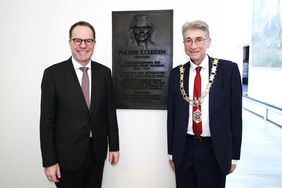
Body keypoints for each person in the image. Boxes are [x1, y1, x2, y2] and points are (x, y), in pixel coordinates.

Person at [40, 21, 120, 188]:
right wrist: (49, 161)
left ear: (94, 43)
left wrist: (114, 146)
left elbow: (109, 113)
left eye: (88, 41)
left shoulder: (104, 73)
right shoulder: (53, 74)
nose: (83, 45)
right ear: (70, 42)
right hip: (66, 158)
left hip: (97, 154)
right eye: (77, 40)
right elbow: (46, 123)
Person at [167, 20, 242, 188]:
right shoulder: (176, 74)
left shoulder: (228, 71)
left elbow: (236, 116)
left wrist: (234, 155)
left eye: (199, 39)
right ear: (184, 43)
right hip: (184, 149)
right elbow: (171, 117)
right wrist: (172, 153)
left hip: (214, 150)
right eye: (188, 40)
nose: (193, 45)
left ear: (208, 42)